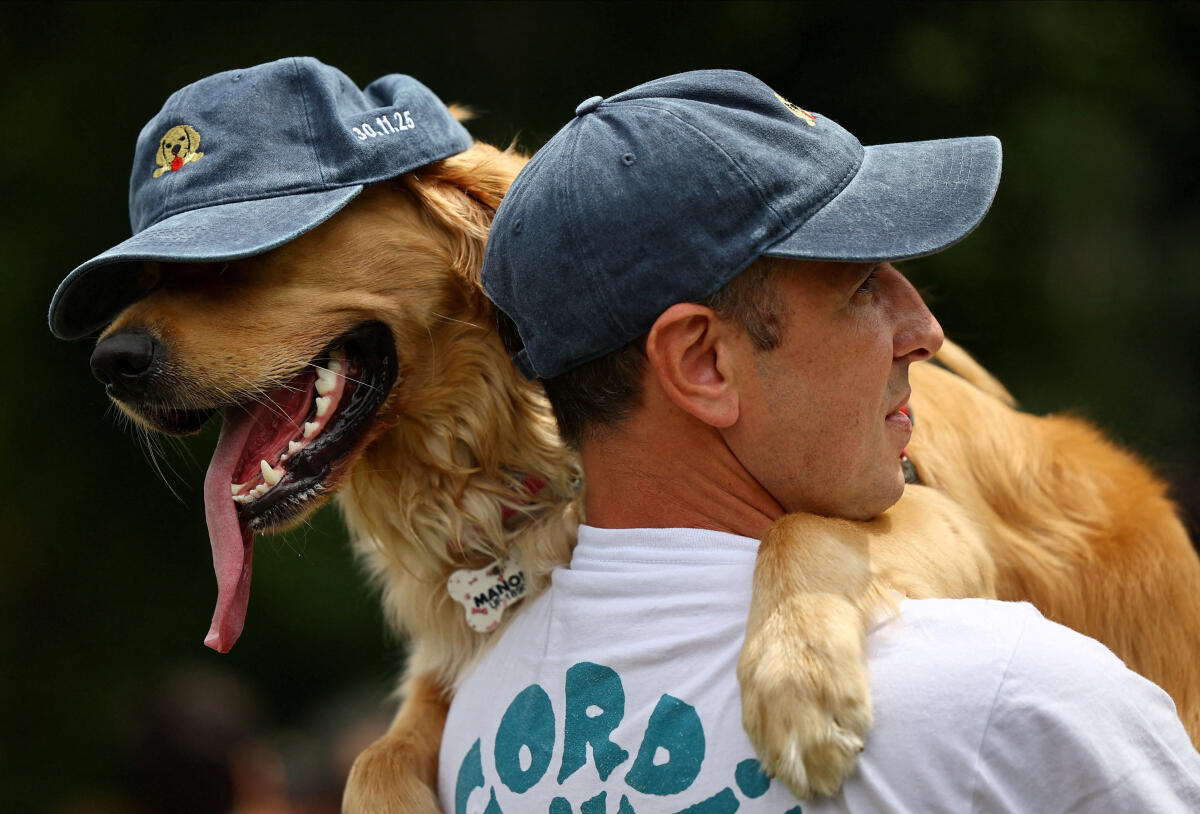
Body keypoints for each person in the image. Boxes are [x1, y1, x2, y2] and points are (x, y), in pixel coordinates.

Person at [435, 70, 1200, 812]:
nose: (925, 332)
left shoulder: (465, 738)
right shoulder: (1009, 698)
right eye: (861, 283)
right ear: (704, 363)